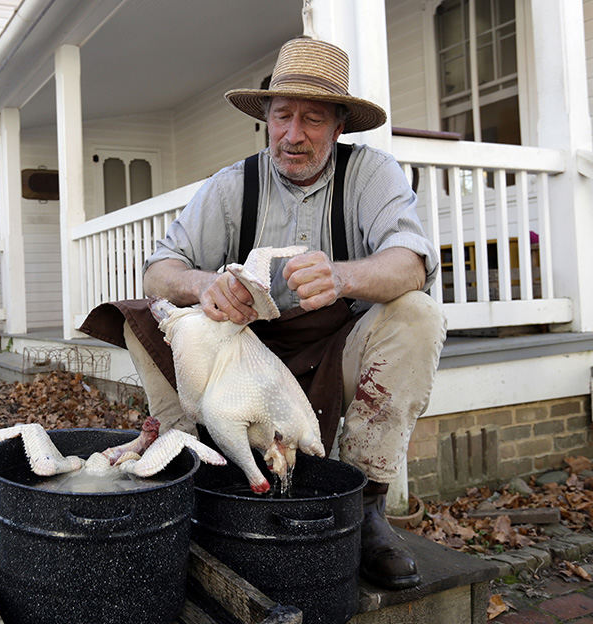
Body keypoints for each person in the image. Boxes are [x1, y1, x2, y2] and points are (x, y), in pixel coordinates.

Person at [81, 37, 446, 590]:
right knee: (142, 313)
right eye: (282, 117)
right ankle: (188, 469)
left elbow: (411, 263)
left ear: (340, 126)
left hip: (334, 350)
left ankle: (366, 507)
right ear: (266, 119)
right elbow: (159, 270)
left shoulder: (372, 175)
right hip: (244, 357)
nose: (293, 135)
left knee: (417, 314)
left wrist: (342, 276)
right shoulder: (232, 185)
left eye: (313, 120)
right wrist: (206, 286)